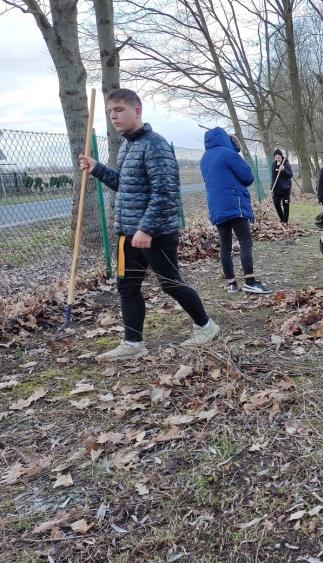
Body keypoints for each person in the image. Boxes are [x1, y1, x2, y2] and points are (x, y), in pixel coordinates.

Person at [78, 88, 219, 362]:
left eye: (119, 110)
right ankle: (133, 343)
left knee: (170, 283)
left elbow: (165, 192)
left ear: (137, 111)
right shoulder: (127, 147)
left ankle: (206, 326)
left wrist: (146, 228)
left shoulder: (155, 145)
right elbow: (125, 186)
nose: (113, 116)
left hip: (156, 234)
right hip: (126, 234)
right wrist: (97, 169)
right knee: (126, 287)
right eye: (110, 111)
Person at [200, 128, 271, 295]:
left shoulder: (204, 159)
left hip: (216, 206)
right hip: (234, 203)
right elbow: (248, 177)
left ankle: (232, 284)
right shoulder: (229, 154)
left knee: (225, 246)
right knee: (245, 242)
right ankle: (250, 282)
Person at [271, 149, 293, 223]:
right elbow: (273, 177)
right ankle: (282, 218)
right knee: (276, 203)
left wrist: (284, 169)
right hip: (276, 188)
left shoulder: (286, 163)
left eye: (279, 155)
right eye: (276, 155)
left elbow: (290, 175)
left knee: (285, 204)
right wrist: (271, 187)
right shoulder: (273, 164)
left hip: (285, 188)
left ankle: (285, 221)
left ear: (281, 156)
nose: (277, 157)